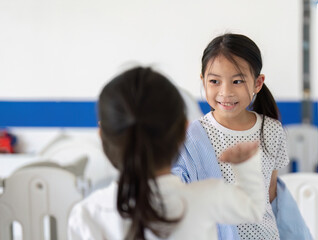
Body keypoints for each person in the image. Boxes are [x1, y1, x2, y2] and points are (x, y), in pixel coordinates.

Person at [68, 67, 266, 240]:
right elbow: (253, 208)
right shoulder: (207, 197)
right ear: (183, 132)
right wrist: (245, 163)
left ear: (103, 136)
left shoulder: (87, 214)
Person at [173, 33, 290, 240]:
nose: (225, 92)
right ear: (203, 81)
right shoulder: (191, 137)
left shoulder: (272, 130)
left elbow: (270, 193)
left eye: (237, 81)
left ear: (258, 83)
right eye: (215, 81)